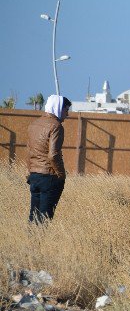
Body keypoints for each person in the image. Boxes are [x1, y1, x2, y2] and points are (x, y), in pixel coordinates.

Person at [27, 94, 71, 223]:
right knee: (44, 218)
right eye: (66, 110)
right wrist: (61, 174)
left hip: (34, 176)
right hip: (49, 177)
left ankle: (30, 242)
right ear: (59, 108)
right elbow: (53, 155)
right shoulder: (56, 126)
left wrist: (30, 172)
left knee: (33, 217)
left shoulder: (34, 124)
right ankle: (39, 242)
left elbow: (29, 151)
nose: (67, 114)